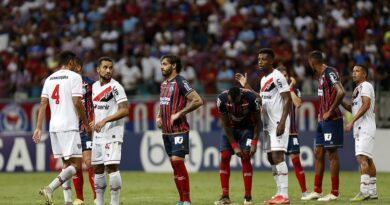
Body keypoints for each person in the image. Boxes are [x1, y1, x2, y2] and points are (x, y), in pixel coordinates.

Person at [32, 51, 92, 205]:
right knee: (77, 165)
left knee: (66, 164)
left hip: (54, 127)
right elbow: (78, 102)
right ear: (71, 62)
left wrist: (38, 128)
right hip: (69, 126)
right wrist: (86, 123)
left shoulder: (49, 79)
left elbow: (43, 104)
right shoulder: (75, 77)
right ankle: (50, 188)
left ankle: (68, 202)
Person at [236, 48, 292, 204]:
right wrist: (246, 86)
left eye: (264, 59)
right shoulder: (263, 80)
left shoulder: (278, 76)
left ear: (271, 61)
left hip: (277, 122)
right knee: (270, 157)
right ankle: (279, 192)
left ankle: (285, 195)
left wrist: (282, 121)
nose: (260, 61)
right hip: (267, 124)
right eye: (259, 59)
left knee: (277, 156)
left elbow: (287, 99)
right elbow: (261, 98)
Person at [155, 54, 203, 205]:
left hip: (179, 130)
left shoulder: (181, 82)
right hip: (166, 132)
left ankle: (187, 200)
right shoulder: (164, 84)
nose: (161, 67)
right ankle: (181, 199)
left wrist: (180, 113)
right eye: (161, 64)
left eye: (164, 64)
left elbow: (198, 100)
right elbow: (164, 103)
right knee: (174, 167)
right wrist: (158, 116)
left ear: (173, 65)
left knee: (177, 163)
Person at [302, 50, 346, 201]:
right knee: (318, 153)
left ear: (312, 62)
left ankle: (334, 192)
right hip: (322, 121)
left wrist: (330, 111)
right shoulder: (320, 77)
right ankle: (317, 190)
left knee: (331, 155)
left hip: (332, 120)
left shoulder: (330, 72)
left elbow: (341, 91)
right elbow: (336, 96)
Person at [91, 57, 129, 205]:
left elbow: (125, 110)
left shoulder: (116, 87)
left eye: (110, 68)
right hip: (98, 134)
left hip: (112, 132)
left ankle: (115, 203)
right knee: (98, 168)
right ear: (98, 69)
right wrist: (93, 121)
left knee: (111, 167)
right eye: (105, 67)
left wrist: (105, 120)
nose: (108, 70)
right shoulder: (94, 87)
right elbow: (97, 110)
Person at [214, 87, 261, 205]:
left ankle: (248, 196)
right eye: (231, 101)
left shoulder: (251, 99)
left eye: (236, 101)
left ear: (241, 96)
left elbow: (257, 122)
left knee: (246, 157)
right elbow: (225, 124)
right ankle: (225, 196)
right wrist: (234, 145)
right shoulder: (221, 99)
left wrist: (255, 142)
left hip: (247, 129)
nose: (233, 103)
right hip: (230, 129)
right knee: (225, 156)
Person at [341, 65, 378, 201]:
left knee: (361, 157)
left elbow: (366, 104)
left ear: (365, 74)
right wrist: (341, 102)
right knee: (368, 158)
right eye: (353, 71)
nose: (354, 73)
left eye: (357, 71)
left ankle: (364, 191)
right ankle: (372, 191)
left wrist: (351, 122)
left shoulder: (366, 85)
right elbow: (355, 109)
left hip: (365, 126)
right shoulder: (357, 89)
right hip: (361, 127)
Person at [276, 66, 308, 199]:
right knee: (277, 163)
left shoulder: (295, 90)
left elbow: (298, 104)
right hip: (277, 132)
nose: (284, 77)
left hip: (291, 133)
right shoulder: (274, 91)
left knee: (296, 162)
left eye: (286, 74)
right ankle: (280, 192)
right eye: (281, 75)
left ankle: (304, 192)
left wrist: (289, 88)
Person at [72, 57, 96, 205]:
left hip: (85, 128)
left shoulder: (91, 84)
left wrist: (95, 121)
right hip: (70, 129)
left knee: (89, 162)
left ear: (79, 68)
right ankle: (79, 198)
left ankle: (96, 197)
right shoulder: (65, 84)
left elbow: (100, 102)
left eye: (72, 66)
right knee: (75, 165)